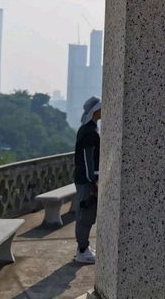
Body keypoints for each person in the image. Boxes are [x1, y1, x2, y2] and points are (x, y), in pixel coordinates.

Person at [73, 96, 101, 264]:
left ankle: (82, 248)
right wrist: (93, 179)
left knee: (86, 215)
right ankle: (82, 251)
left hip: (83, 179)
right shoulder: (90, 132)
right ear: (94, 111)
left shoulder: (87, 128)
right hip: (86, 181)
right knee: (85, 215)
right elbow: (87, 158)